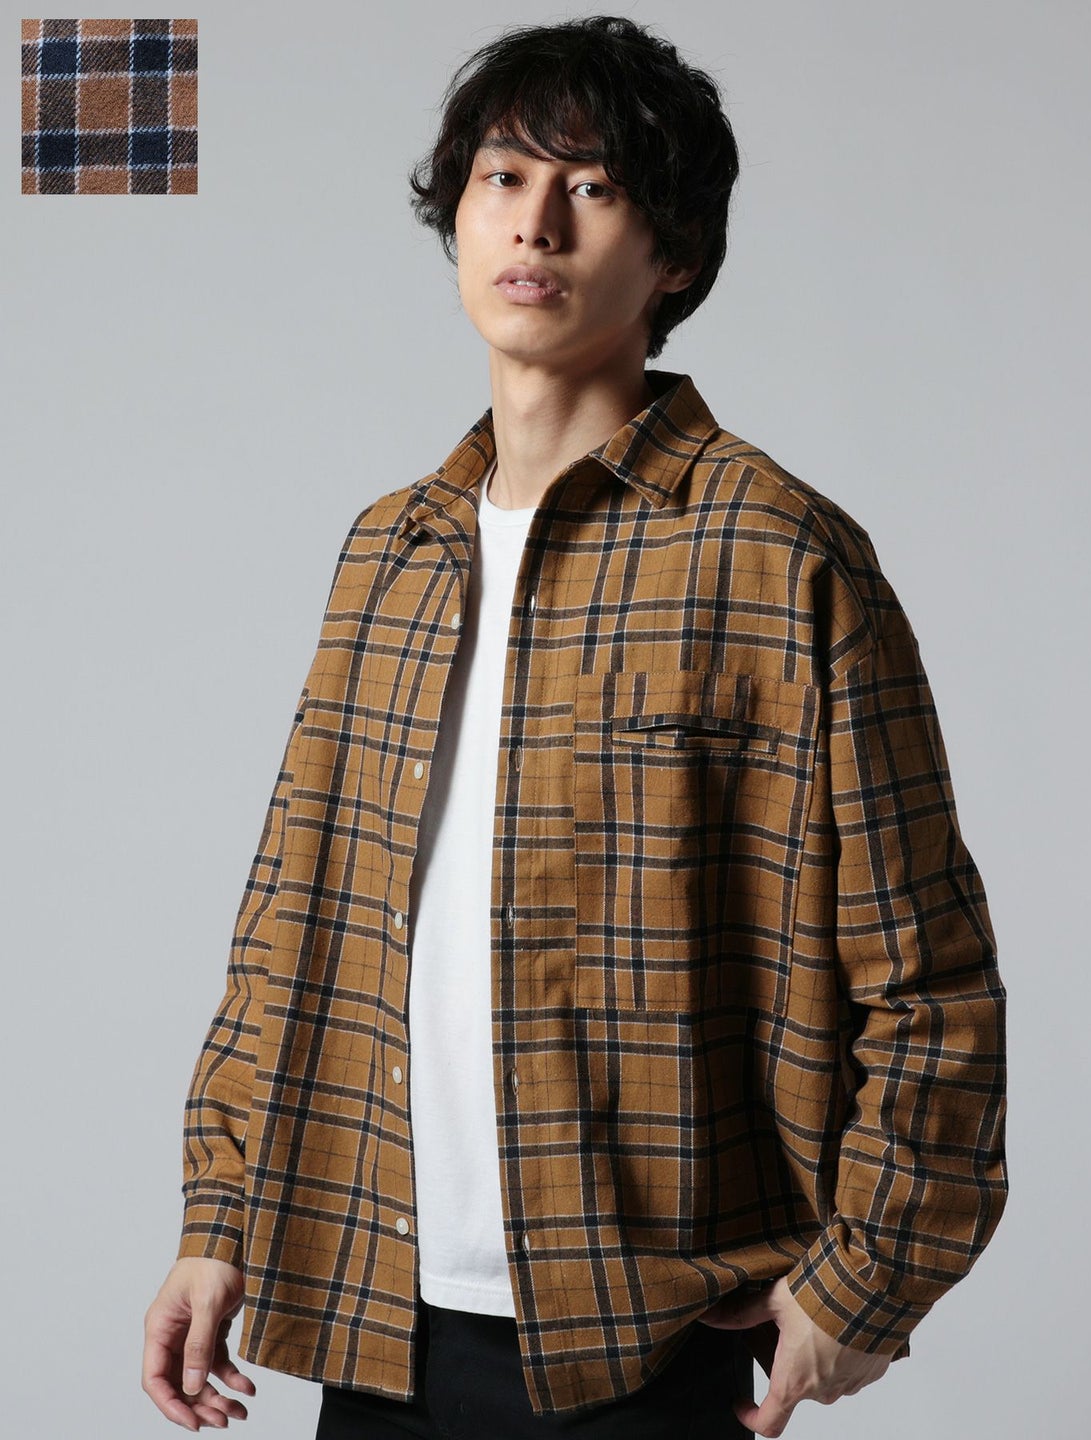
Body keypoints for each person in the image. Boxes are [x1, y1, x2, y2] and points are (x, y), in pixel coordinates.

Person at [142, 14, 1008, 1438]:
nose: (535, 223)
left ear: (676, 258)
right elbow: (291, 919)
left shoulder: (776, 555)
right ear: (458, 216)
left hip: (639, 1351)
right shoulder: (390, 551)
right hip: (375, 1327)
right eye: (502, 177)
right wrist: (219, 1218)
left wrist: (869, 1281)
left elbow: (930, 975)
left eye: (593, 187)